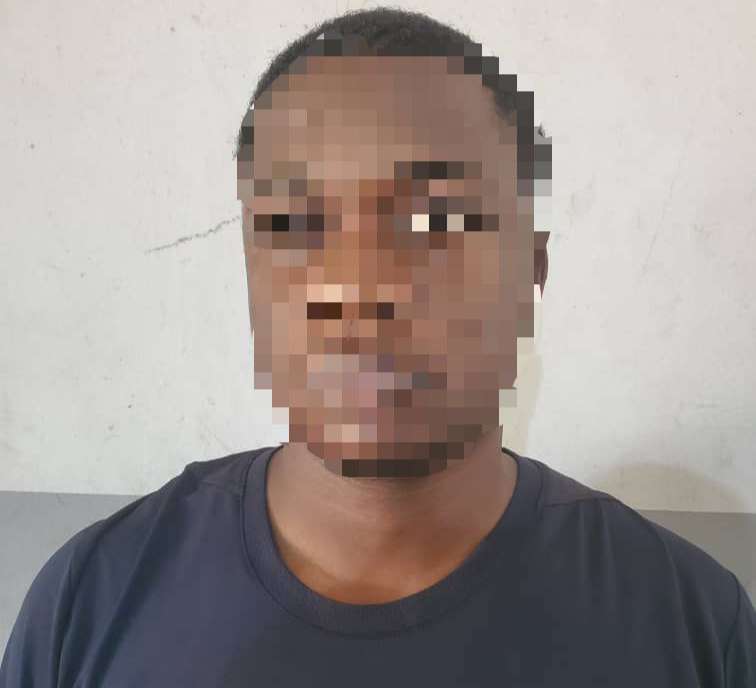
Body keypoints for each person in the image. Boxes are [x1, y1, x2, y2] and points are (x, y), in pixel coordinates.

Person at [1, 7, 753, 687]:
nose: (359, 290)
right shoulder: (90, 602)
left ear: (530, 272)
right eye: (297, 225)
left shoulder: (689, 627)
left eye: (435, 221)